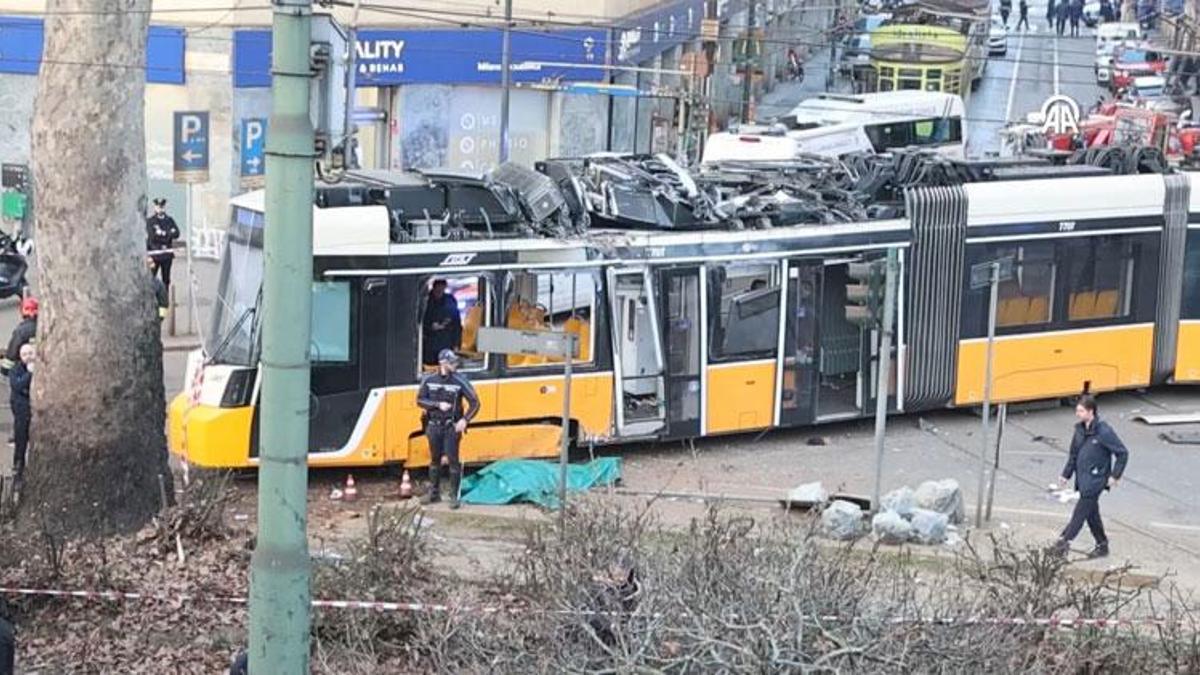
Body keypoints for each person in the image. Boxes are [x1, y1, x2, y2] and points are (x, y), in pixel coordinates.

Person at [1048, 395, 1129, 559]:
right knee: (1091, 514)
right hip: (1083, 479)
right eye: (1077, 410)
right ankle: (1102, 544)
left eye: (1081, 410)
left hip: (1097, 479)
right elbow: (1073, 454)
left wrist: (1115, 475)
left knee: (1080, 512)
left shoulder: (1104, 431)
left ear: (1091, 411)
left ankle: (1063, 543)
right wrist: (1066, 474)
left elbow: (1122, 453)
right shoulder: (1079, 430)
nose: (1077, 413)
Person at [416, 349, 480, 509]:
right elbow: (420, 400)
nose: (455, 365)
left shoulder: (460, 380)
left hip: (451, 426)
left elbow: (475, 402)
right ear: (442, 363)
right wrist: (437, 405)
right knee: (434, 460)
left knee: (453, 461)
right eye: (451, 362)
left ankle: (453, 496)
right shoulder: (429, 379)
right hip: (433, 425)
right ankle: (434, 493)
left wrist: (465, 420)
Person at [9, 343, 33, 493]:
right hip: (21, 408)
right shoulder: (16, 369)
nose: (28, 357)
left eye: (31, 353)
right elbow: (17, 385)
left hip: (32, 408)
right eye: (25, 354)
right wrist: (29, 374)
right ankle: (18, 467)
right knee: (21, 439)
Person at [422, 279, 462, 367]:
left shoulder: (450, 300)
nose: (439, 292)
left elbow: (456, 323)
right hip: (429, 342)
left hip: (446, 340)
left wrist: (456, 344)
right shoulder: (425, 301)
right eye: (437, 290)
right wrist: (430, 326)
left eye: (441, 290)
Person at [146, 197, 180, 290]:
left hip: (167, 255)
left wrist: (163, 233)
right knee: (151, 278)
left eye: (162, 207)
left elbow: (176, 233)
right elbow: (153, 236)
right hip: (155, 254)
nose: (160, 209)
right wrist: (168, 234)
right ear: (155, 207)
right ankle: (152, 299)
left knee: (166, 279)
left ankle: (165, 301)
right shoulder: (151, 221)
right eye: (158, 207)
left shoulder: (169, 220)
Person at [1, 297, 36, 376]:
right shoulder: (46, 325)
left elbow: (12, 353)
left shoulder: (21, 331)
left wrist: (4, 370)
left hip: (25, 368)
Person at [148, 256, 168, 321]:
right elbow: (164, 304)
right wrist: (160, 318)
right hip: (153, 320)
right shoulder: (159, 285)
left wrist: (160, 319)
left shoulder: (159, 285)